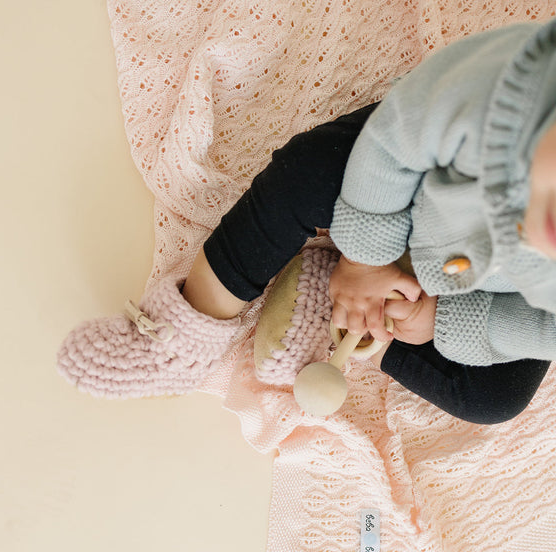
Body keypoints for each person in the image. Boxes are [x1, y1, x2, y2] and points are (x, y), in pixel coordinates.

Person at [58, 18, 556, 424]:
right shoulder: (512, 92)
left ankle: (357, 322)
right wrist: (365, 257)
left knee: (495, 397)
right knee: (314, 170)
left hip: (484, 287)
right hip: (409, 188)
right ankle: (189, 326)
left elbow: (539, 327)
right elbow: (396, 141)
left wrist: (439, 322)